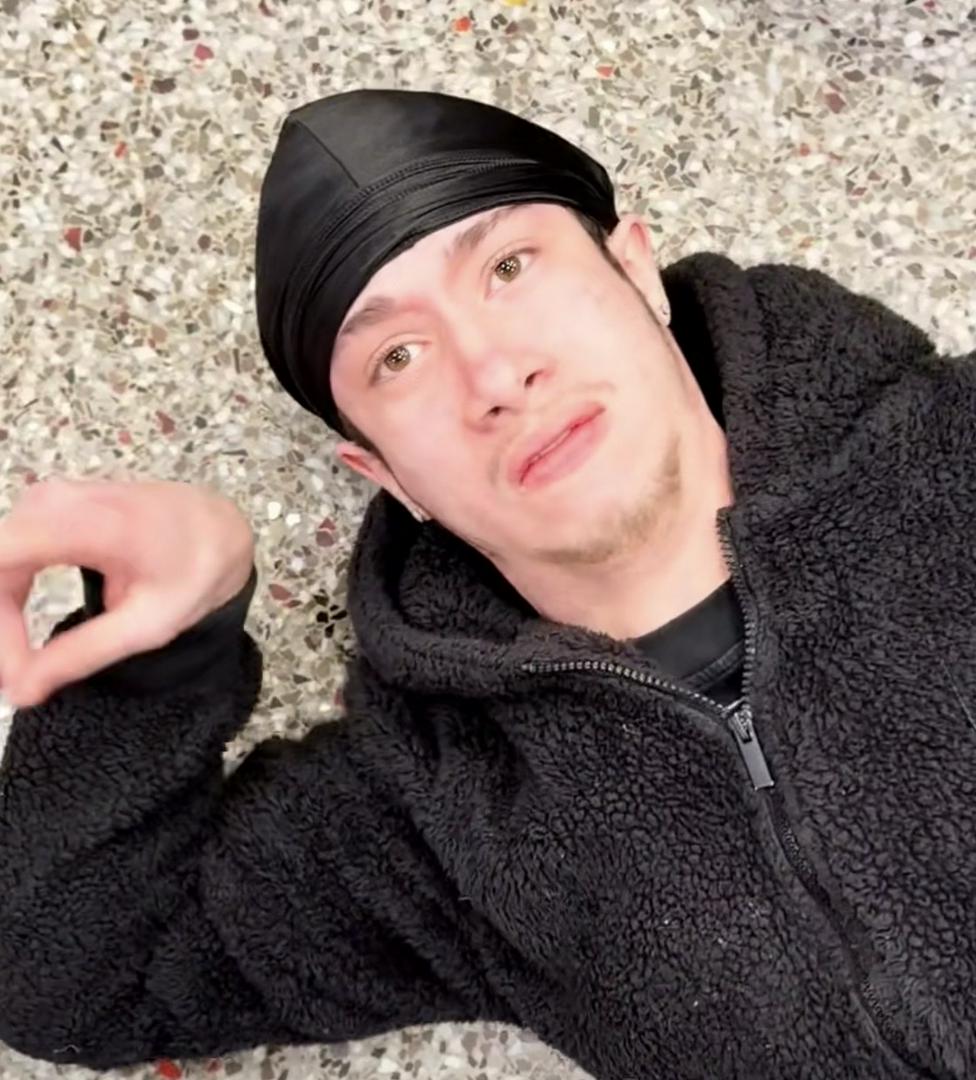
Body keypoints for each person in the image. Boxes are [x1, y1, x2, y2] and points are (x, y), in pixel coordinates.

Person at [0, 87, 974, 1080]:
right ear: (386, 475)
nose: (496, 377)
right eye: (398, 357)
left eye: (508, 267)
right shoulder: (436, 819)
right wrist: (162, 650)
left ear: (637, 270)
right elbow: (70, 982)